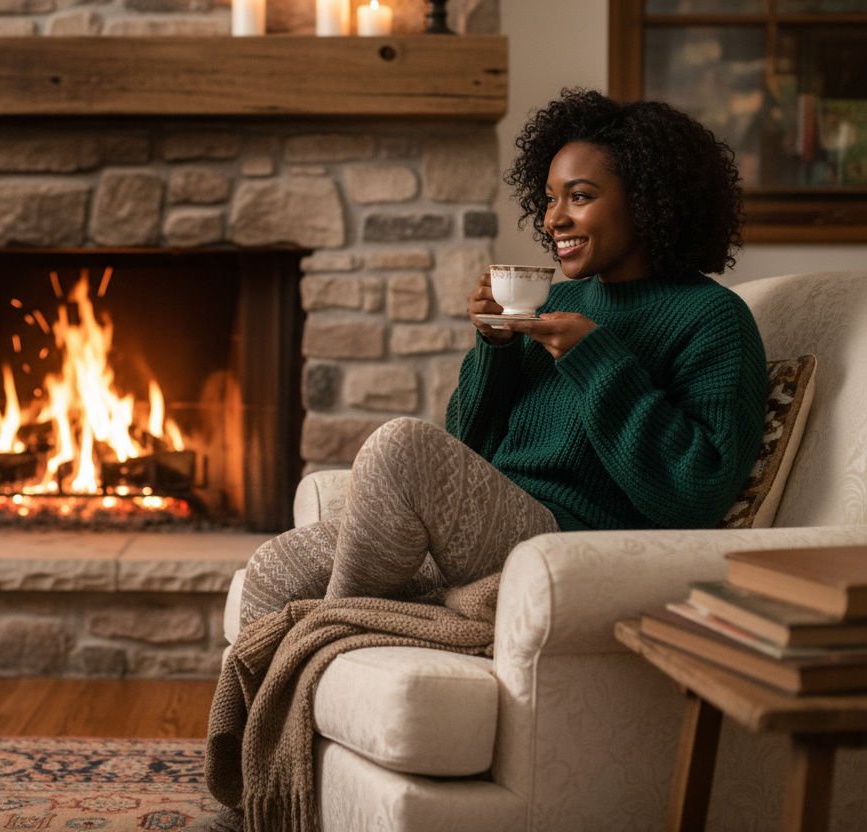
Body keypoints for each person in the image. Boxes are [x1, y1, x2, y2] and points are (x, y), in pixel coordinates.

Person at [237, 88, 769, 629]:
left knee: (403, 446)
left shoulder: (713, 319)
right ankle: (319, 655)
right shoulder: (555, 304)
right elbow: (469, 450)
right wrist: (495, 348)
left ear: (649, 201)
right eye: (550, 198)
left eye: (579, 197)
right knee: (272, 571)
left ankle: (338, 626)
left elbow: (697, 493)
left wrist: (598, 362)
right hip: (489, 527)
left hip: (573, 543)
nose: (552, 220)